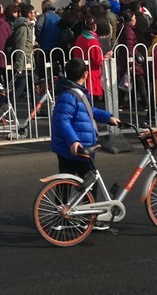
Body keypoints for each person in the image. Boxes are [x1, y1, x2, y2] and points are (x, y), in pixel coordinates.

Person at [50, 58, 120, 229]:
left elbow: (90, 110)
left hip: (72, 146)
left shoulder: (73, 92)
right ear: (85, 74)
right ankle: (87, 219)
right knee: (89, 181)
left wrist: (108, 117)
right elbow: (62, 120)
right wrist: (73, 141)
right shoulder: (70, 94)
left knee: (66, 182)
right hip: (78, 147)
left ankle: (62, 216)